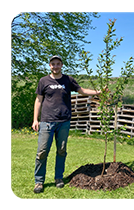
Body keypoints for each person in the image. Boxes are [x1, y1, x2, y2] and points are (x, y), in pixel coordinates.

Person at [32, 55, 100, 193]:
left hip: (64, 122)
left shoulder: (68, 80)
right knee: (42, 152)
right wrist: (35, 119)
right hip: (47, 122)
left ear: (61, 65)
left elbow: (82, 91)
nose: (55, 66)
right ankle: (39, 182)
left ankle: (59, 178)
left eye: (58, 64)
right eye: (53, 64)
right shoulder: (43, 81)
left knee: (61, 151)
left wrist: (98, 92)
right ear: (50, 66)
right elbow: (38, 100)